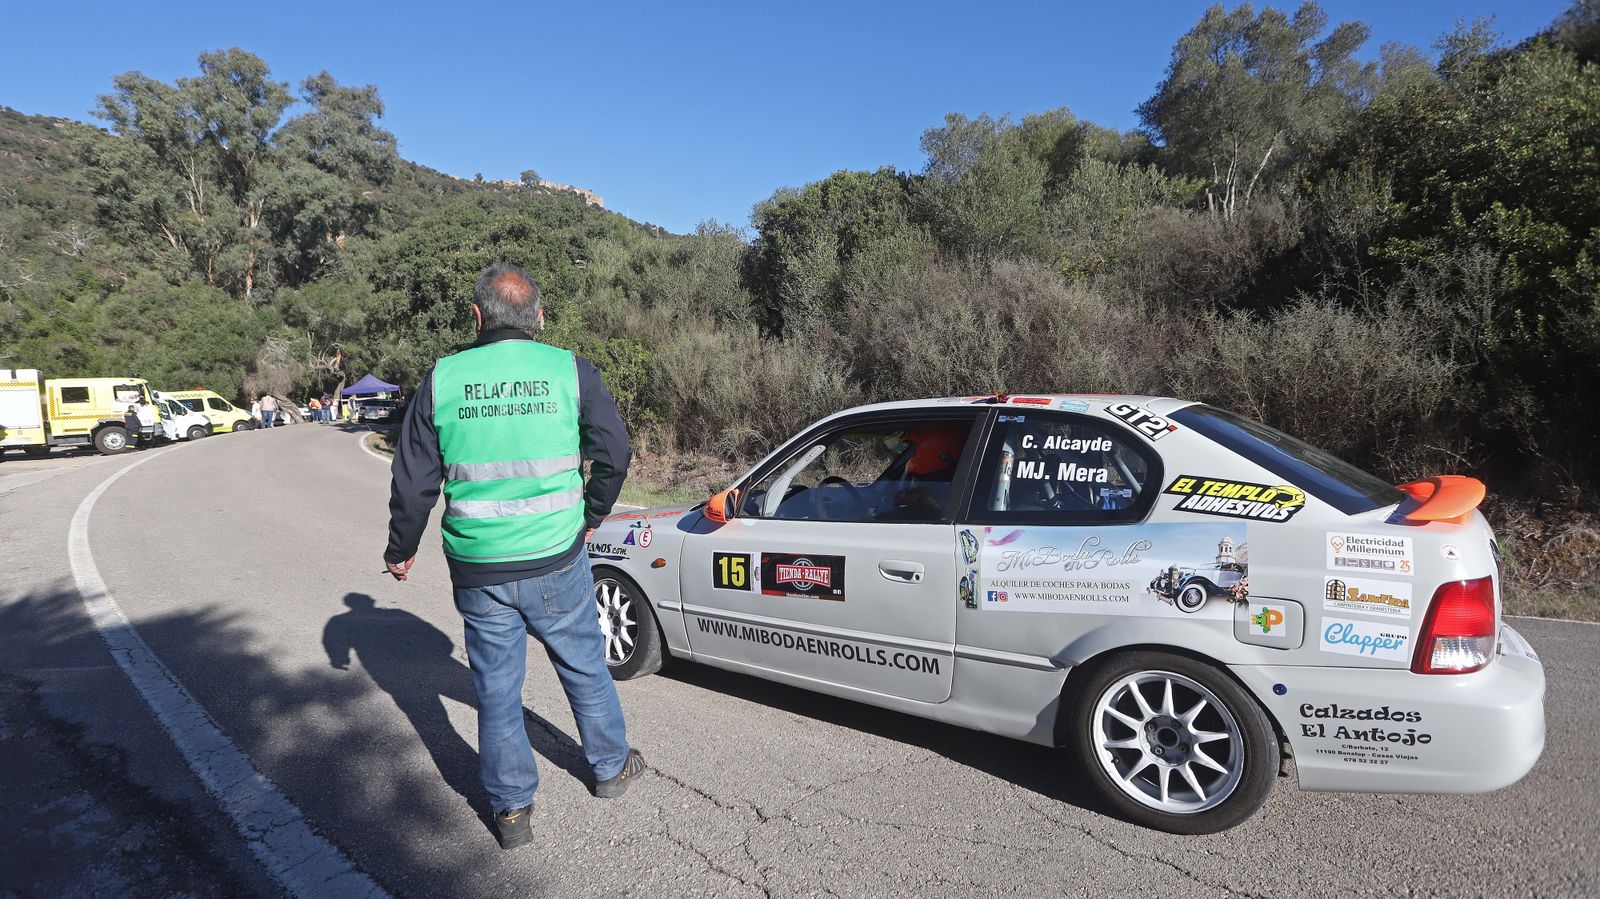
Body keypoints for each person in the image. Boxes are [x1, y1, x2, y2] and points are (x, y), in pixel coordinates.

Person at [384, 261, 640, 851]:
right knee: (583, 663)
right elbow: (615, 451)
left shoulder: (442, 379)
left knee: (496, 690)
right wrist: (592, 512)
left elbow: (412, 480)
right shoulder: (568, 370)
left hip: (479, 567)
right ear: (539, 317)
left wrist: (401, 549)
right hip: (556, 555)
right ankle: (609, 768)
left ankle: (511, 812)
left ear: (476, 317)